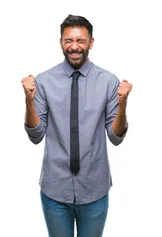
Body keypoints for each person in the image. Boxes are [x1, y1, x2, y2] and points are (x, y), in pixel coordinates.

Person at [22, 14, 132, 237]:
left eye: (80, 40)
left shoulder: (108, 81)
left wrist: (123, 104)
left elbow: (116, 137)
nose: (74, 47)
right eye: (68, 40)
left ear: (91, 43)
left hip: (94, 189)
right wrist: (29, 100)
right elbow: (36, 135)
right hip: (55, 189)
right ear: (61, 42)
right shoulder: (44, 81)